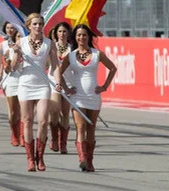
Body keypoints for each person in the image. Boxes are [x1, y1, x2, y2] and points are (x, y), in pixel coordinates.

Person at [58, 24, 117, 172]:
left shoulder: (97, 54)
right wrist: (65, 88)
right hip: (77, 96)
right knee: (80, 127)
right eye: (79, 35)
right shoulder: (71, 55)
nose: (81, 38)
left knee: (91, 128)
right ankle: (82, 158)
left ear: (89, 37)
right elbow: (59, 72)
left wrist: (104, 86)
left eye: (84, 35)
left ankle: (90, 161)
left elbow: (112, 68)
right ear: (75, 38)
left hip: (94, 96)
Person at [12, 13, 62, 172]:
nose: (38, 27)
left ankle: (40, 157)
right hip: (25, 84)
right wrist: (16, 52)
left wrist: (59, 82)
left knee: (42, 121)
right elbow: (13, 67)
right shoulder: (21, 42)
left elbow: (55, 66)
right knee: (27, 120)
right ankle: (30, 159)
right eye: (35, 24)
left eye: (40, 24)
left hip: (42, 85)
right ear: (28, 26)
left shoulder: (49, 43)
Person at [48, 22, 74, 154]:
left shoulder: (72, 48)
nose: (62, 34)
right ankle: (54, 139)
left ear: (68, 33)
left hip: (68, 84)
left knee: (65, 114)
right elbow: (47, 64)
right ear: (55, 33)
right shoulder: (51, 47)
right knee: (54, 111)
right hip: (54, 82)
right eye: (60, 31)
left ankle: (63, 143)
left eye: (64, 31)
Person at [0, 22, 22, 146]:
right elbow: (0, 65)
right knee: (13, 112)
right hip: (10, 80)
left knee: (23, 110)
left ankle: (22, 135)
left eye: (13, 28)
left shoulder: (27, 47)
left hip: (24, 81)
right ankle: (14, 133)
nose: (10, 30)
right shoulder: (5, 46)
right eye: (8, 27)